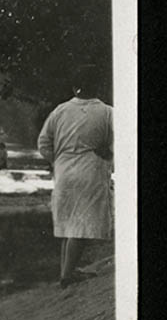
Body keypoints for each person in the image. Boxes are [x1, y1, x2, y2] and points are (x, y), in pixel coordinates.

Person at [37, 68, 113, 288]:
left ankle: (66, 271)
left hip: (64, 174)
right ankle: (67, 276)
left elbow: (43, 144)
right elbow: (125, 141)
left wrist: (58, 160)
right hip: (91, 173)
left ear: (74, 88)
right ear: (98, 87)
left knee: (69, 224)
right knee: (81, 227)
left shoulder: (60, 111)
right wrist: (109, 155)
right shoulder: (108, 112)